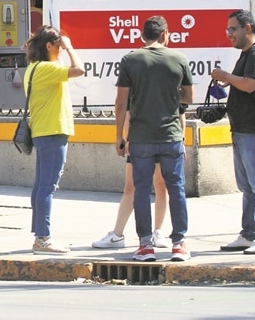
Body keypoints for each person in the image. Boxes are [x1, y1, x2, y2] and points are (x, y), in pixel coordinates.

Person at [113, 15, 194, 262]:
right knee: (175, 189)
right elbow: (188, 98)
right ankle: (179, 243)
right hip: (170, 136)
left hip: (140, 137)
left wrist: (119, 136)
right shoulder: (178, 58)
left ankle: (145, 245)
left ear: (142, 36)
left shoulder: (130, 59)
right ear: (165, 34)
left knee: (140, 190)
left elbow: (121, 102)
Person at [209, 9, 255, 255]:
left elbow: (250, 84)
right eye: (228, 30)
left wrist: (227, 76)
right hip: (241, 130)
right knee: (247, 187)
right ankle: (249, 234)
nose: (229, 34)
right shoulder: (246, 54)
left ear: (247, 28)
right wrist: (228, 81)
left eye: (233, 29)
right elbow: (244, 81)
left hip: (254, 130)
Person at [24, 25, 85, 254]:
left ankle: (39, 234)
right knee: (47, 187)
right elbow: (79, 69)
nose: (61, 50)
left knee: (41, 185)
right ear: (49, 46)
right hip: (52, 131)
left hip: (43, 130)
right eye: (58, 46)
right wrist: (70, 47)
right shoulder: (47, 68)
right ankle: (43, 239)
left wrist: (63, 46)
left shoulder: (34, 68)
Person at [91, 113, 171, 251]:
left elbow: (179, 110)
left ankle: (158, 231)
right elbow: (127, 111)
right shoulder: (135, 90)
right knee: (130, 187)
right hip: (139, 140)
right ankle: (117, 234)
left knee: (161, 185)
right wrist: (127, 138)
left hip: (162, 138)